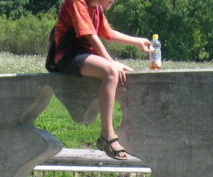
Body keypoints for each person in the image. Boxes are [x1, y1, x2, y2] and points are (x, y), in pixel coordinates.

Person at [48, 0, 151, 160]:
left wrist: (137, 41)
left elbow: (108, 33)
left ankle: (136, 129)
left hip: (86, 55)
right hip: (68, 56)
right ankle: (107, 135)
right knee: (111, 71)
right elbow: (91, 36)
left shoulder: (96, 7)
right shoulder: (77, 2)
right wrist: (111, 62)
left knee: (126, 72)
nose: (114, 0)